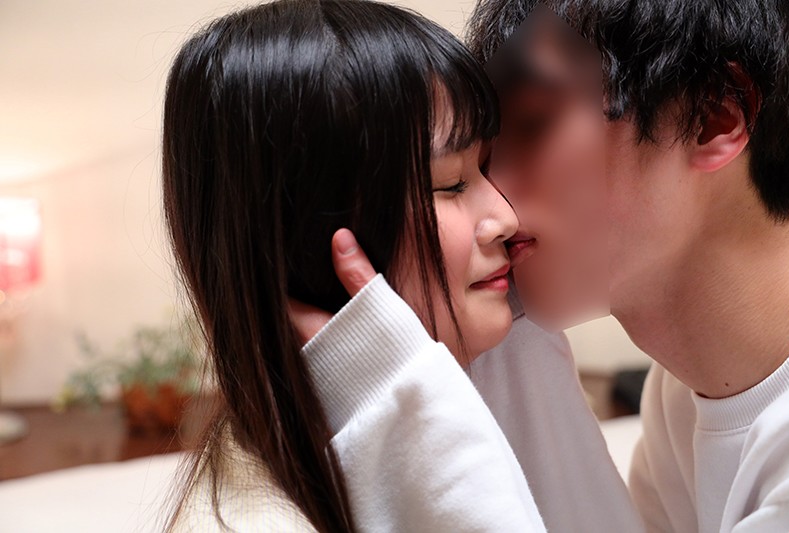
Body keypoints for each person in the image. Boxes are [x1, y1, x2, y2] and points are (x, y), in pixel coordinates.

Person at [306, 0, 789, 531]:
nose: (498, 202)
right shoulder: (685, 391)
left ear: (712, 117)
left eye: (531, 122)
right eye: (467, 171)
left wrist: (405, 411)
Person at [160, 0, 545, 530]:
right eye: (451, 183)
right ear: (308, 242)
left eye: (485, 167)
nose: (505, 216)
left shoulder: (513, 356)